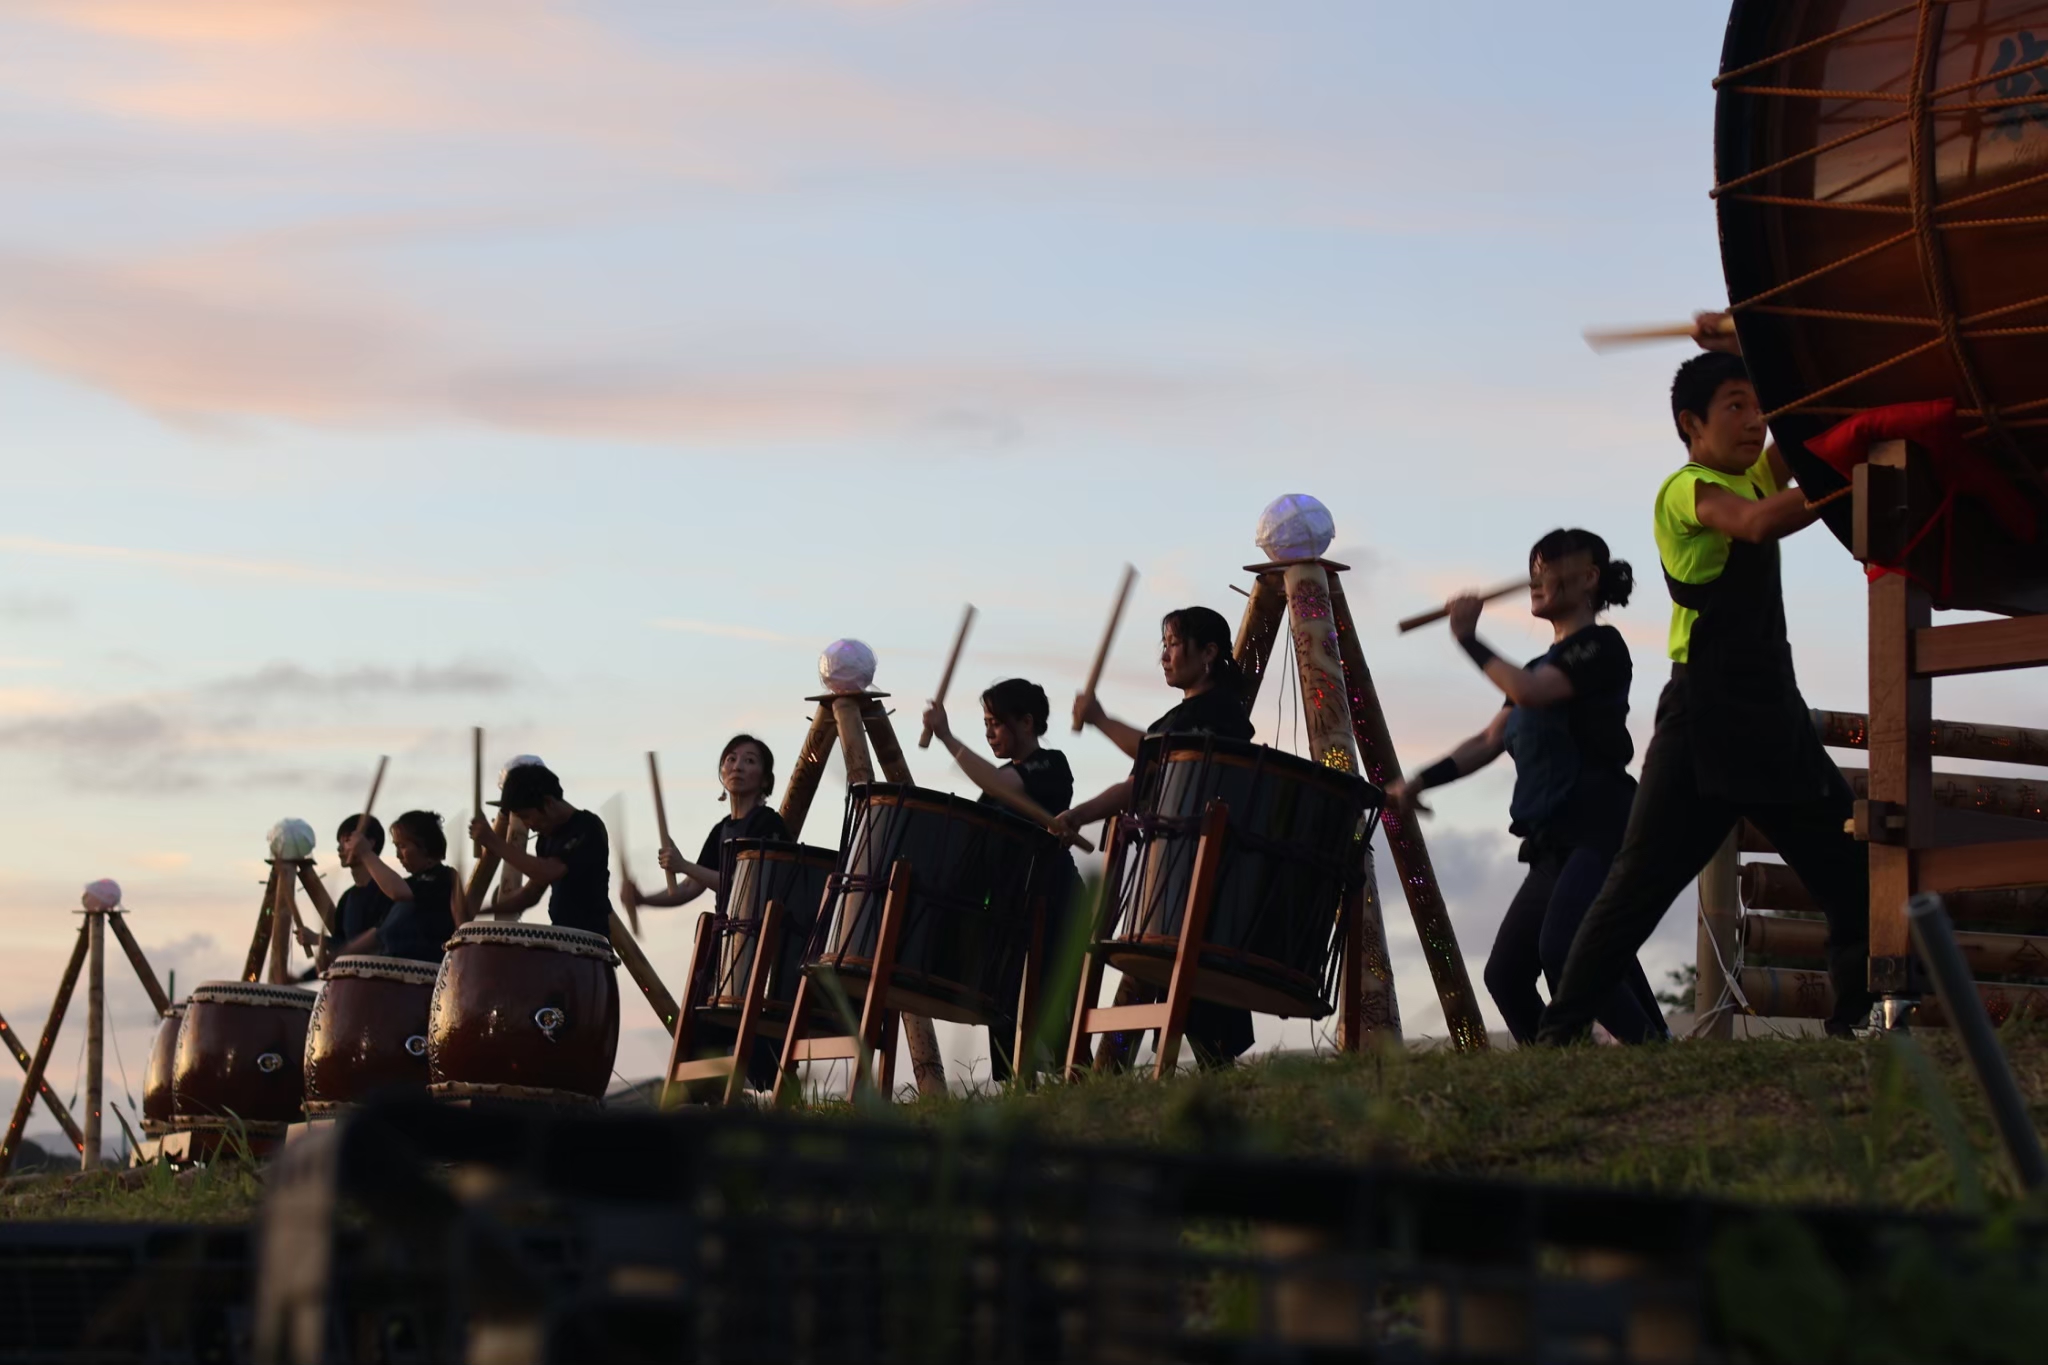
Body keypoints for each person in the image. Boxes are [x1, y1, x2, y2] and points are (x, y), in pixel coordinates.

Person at [1535, 329, 1872, 1043]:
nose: (1756, 421)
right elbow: (1752, 522)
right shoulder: (1686, 490)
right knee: (1635, 889)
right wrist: (1852, 478)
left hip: (1772, 715)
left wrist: (1751, 331)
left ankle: (1853, 1024)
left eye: (1758, 408)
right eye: (1735, 406)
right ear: (1691, 425)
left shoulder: (1756, 469)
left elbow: (1807, 420)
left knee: (1852, 871)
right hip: (1703, 722)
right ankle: (1560, 1035)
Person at [1386, 530, 1667, 1046]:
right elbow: (1490, 739)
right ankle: (1565, 1068)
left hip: (1602, 827)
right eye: (1534, 565)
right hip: (1553, 842)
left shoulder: (1601, 647)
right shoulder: (1536, 668)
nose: (1537, 577)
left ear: (1588, 579)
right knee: (1507, 975)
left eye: (1551, 565)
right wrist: (1419, 781)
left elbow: (1533, 694)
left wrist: (1468, 638)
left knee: (1568, 950)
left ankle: (1654, 1052)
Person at [1058, 605, 1257, 1067]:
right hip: (1169, 878)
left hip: (1199, 875)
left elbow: (1162, 758)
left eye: (1171, 644)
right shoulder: (1180, 717)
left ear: (1207, 652)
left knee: (1192, 991)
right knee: (1151, 978)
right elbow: (1141, 782)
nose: (1163, 657)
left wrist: (1102, 720)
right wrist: (1080, 814)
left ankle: (1120, 1072)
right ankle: (1112, 1073)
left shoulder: (1221, 714)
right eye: (1163, 646)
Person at [923, 678, 1081, 1075]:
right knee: (1007, 1006)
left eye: (995, 722)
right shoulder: (996, 782)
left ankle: (1092, 1071)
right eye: (985, 723)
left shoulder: (1050, 764)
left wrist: (945, 736)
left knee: (1052, 1008)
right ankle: (1021, 1095)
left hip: (1054, 899)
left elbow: (996, 783)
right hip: (1013, 906)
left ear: (1026, 723)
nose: (989, 732)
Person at [620, 735, 786, 918]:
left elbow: (744, 887)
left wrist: (684, 865)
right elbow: (690, 887)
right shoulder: (720, 830)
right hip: (728, 934)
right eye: (731, 759)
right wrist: (643, 900)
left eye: (749, 761)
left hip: (764, 933)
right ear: (722, 772)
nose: (737, 767)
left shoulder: (769, 823)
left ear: (765, 780)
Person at [470, 763, 614, 937]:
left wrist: (493, 841)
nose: (528, 826)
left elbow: (548, 871)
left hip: (590, 942)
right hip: (562, 936)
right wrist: (480, 912)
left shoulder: (587, 827)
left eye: (527, 817)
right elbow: (530, 894)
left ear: (548, 803)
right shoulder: (545, 839)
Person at [332, 810, 458, 964]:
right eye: (396, 847)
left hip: (429, 977)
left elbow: (400, 893)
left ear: (424, 845)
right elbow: (378, 932)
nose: (398, 855)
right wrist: (338, 955)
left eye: (402, 846)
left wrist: (366, 853)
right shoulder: (410, 884)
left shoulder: (444, 878)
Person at [302, 814, 392, 974]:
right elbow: (343, 945)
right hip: (352, 982)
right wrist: (318, 941)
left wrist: (321, 941)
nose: (339, 848)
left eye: (346, 841)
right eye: (340, 842)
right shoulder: (348, 898)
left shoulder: (391, 891)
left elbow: (384, 937)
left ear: (370, 843)